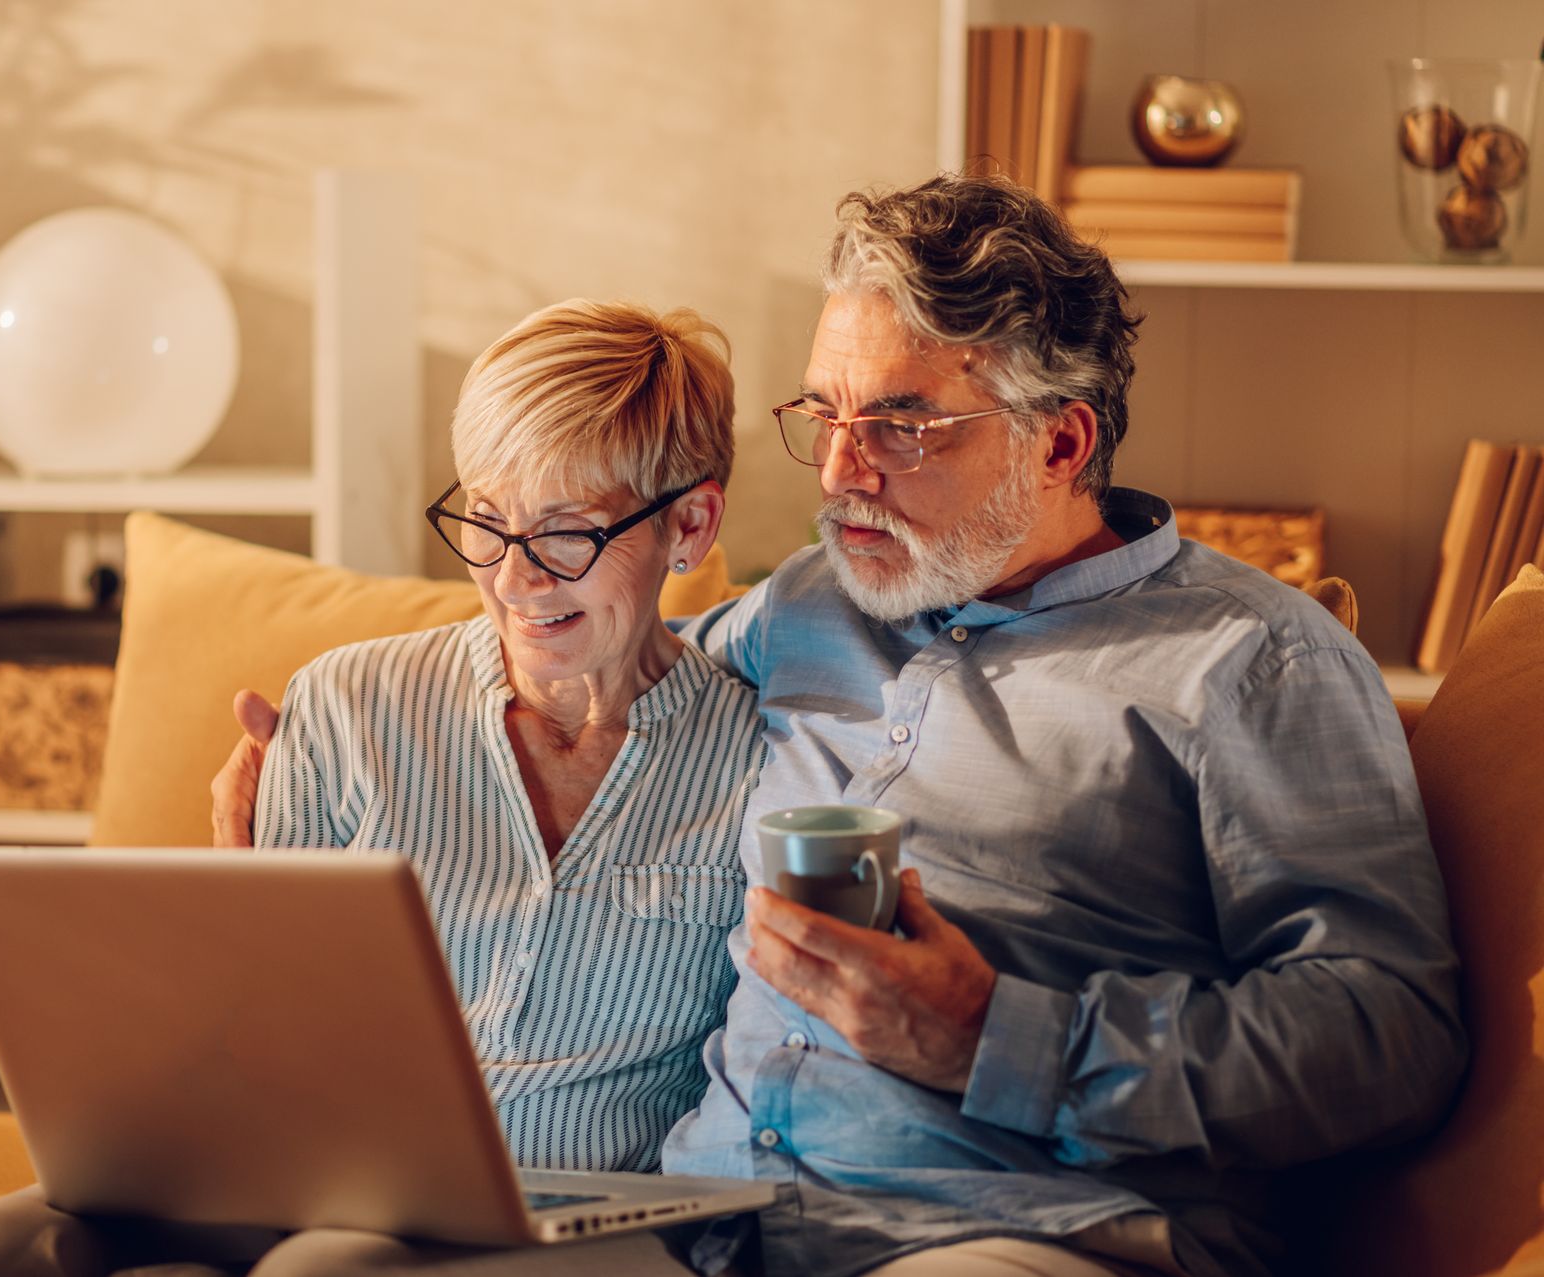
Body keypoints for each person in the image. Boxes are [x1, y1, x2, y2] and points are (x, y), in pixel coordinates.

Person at [209, 175, 1467, 1277]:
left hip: (1020, 1228)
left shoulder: (1253, 661)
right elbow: (600, 651)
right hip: (711, 1226)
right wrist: (330, 779)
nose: (839, 472)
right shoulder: (818, 597)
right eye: (825, 414)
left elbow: (1390, 1035)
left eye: (902, 425)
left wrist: (1000, 1039)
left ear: (1062, 440)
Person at [0, 299, 764, 1276]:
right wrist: (226, 925)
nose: (513, 578)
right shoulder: (348, 703)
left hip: (590, 1222)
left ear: (692, 521)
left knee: (327, 1271)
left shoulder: (763, 757)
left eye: (566, 534)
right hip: (307, 1175)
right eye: (486, 519)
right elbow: (245, 1028)